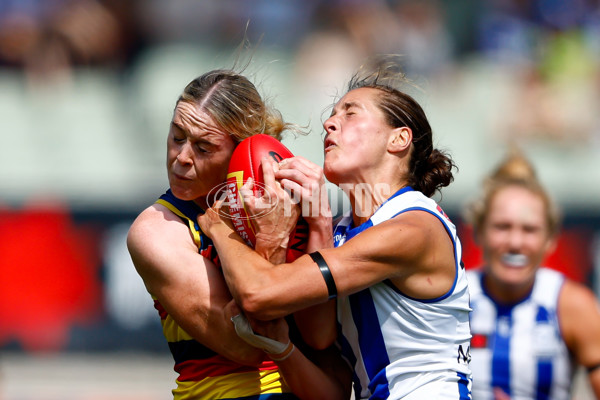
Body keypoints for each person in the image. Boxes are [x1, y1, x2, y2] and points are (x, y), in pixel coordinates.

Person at [198, 58, 473, 399]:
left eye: (350, 113)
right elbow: (320, 342)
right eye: (333, 114)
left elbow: (258, 294)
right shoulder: (341, 232)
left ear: (399, 138)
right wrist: (319, 221)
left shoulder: (414, 228)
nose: (329, 123)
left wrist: (221, 227)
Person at [126, 69, 304, 399]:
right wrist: (270, 244)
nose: (181, 158)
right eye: (177, 136)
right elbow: (248, 346)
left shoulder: (288, 201)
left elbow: (325, 334)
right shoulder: (156, 231)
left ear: (240, 151)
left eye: (204, 148)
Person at [463, 149, 600, 399]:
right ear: (478, 231)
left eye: (530, 230)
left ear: (550, 239)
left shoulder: (571, 304)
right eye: (502, 227)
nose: (516, 242)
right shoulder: (453, 298)